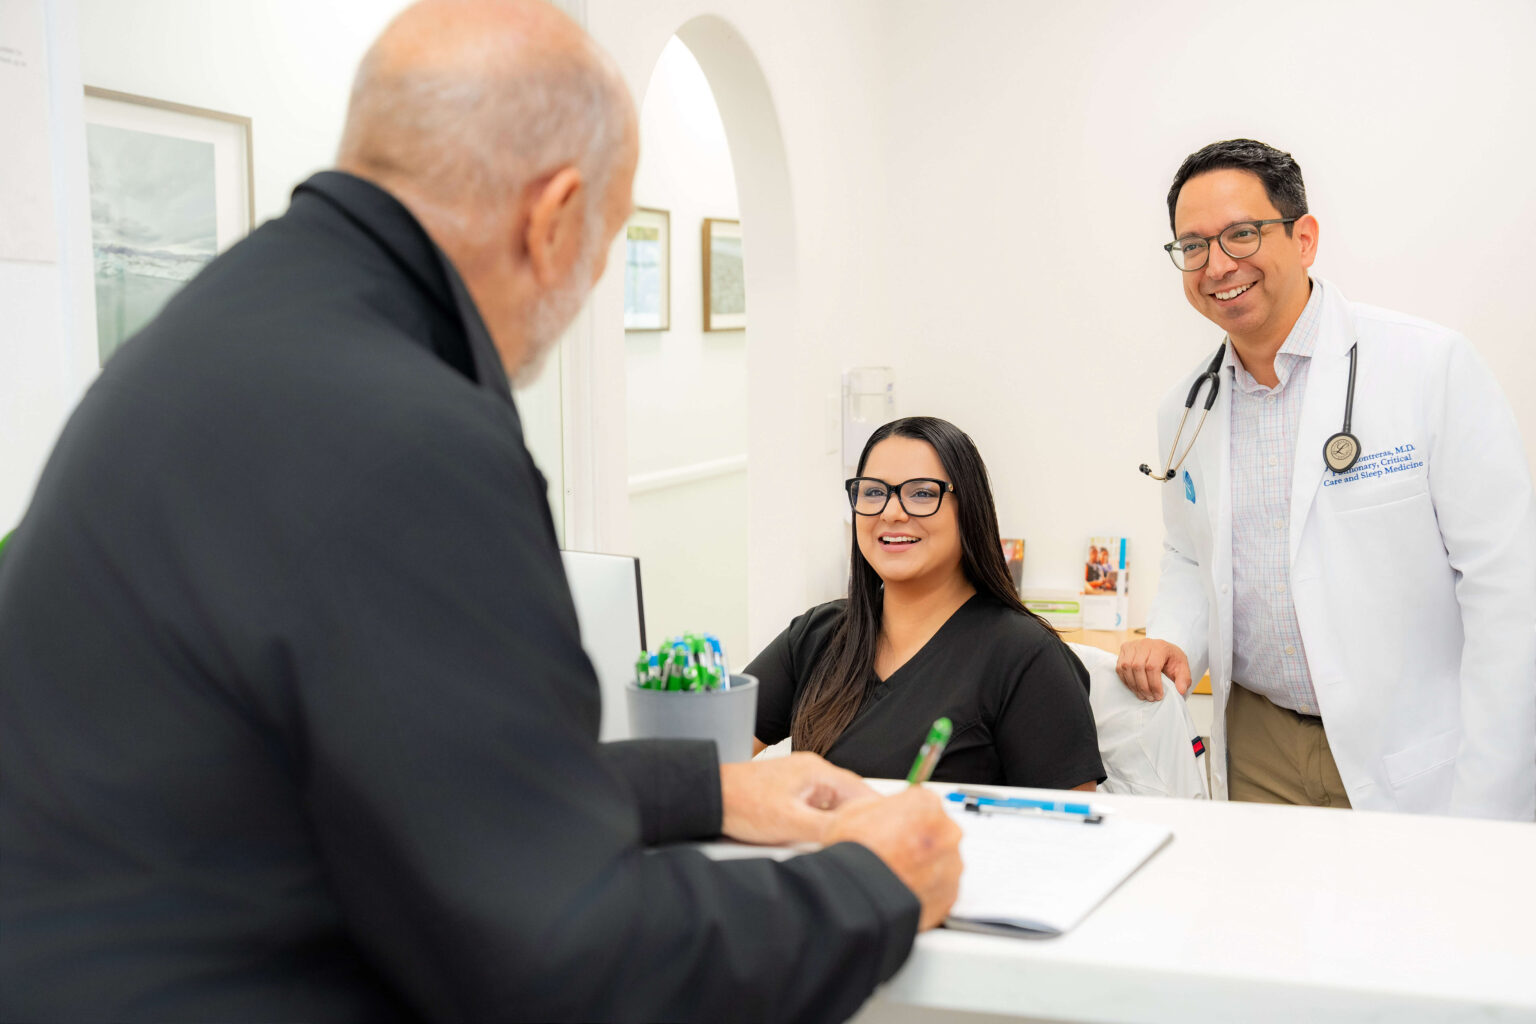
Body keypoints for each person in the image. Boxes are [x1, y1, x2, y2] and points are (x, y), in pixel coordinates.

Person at [0, 3, 964, 1020]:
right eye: (605, 246)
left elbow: (413, 779)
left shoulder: (217, 338)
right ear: (552, 219)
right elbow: (566, 959)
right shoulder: (409, 431)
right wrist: (875, 886)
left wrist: (712, 792)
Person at [1117, 138, 1536, 819]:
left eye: (1241, 234)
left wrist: (1495, 790)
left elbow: (1509, 589)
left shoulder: (1430, 367)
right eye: (1192, 246)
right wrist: (1173, 636)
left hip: (1410, 747)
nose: (1217, 265)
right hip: (1258, 745)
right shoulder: (1186, 408)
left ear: (1304, 237)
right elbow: (1189, 552)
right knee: (1270, 923)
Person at [749, 416, 1105, 791]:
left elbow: (1070, 833)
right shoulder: (815, 636)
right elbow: (703, 753)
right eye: (872, 492)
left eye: (921, 493)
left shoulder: (1027, 656)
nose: (891, 512)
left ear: (968, 508)